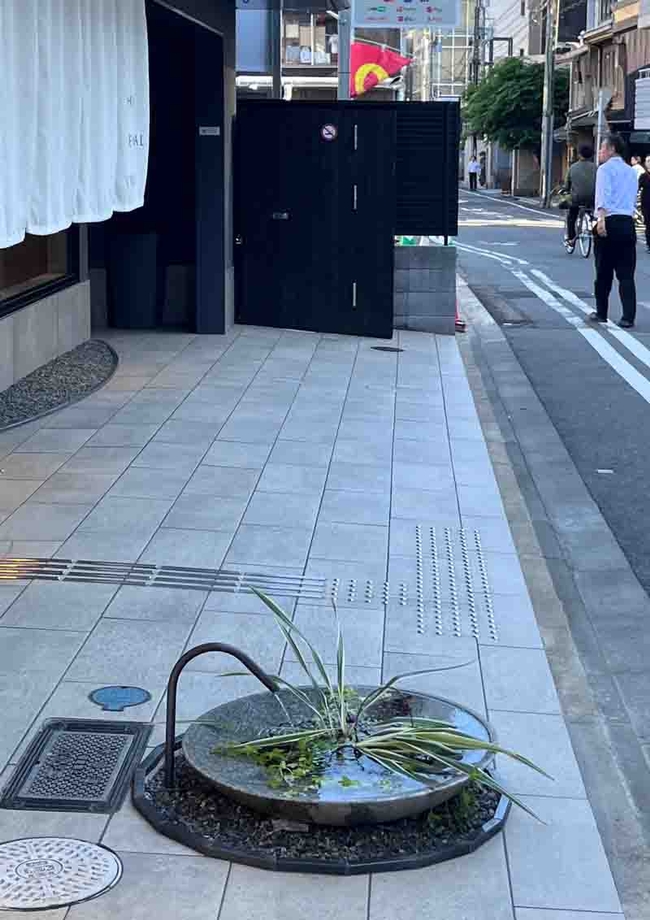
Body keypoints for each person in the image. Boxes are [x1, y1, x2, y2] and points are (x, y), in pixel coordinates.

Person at [589, 134, 639, 329]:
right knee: (626, 273)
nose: (600, 152)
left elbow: (603, 196)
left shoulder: (604, 170)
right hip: (627, 223)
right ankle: (628, 317)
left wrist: (600, 220)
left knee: (603, 271)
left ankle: (601, 312)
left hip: (609, 222)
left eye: (602, 148)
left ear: (611, 149)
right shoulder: (631, 171)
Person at [563, 144, 597, 248]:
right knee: (593, 215)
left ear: (579, 154)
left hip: (577, 199)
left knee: (571, 217)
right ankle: (593, 223)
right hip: (593, 198)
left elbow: (567, 185)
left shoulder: (573, 167)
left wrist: (565, 191)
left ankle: (571, 239)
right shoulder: (596, 167)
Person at [639, 154, 650, 254]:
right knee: (648, 223)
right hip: (646, 203)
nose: (649, 163)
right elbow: (636, 188)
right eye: (647, 161)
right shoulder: (643, 176)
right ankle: (649, 244)